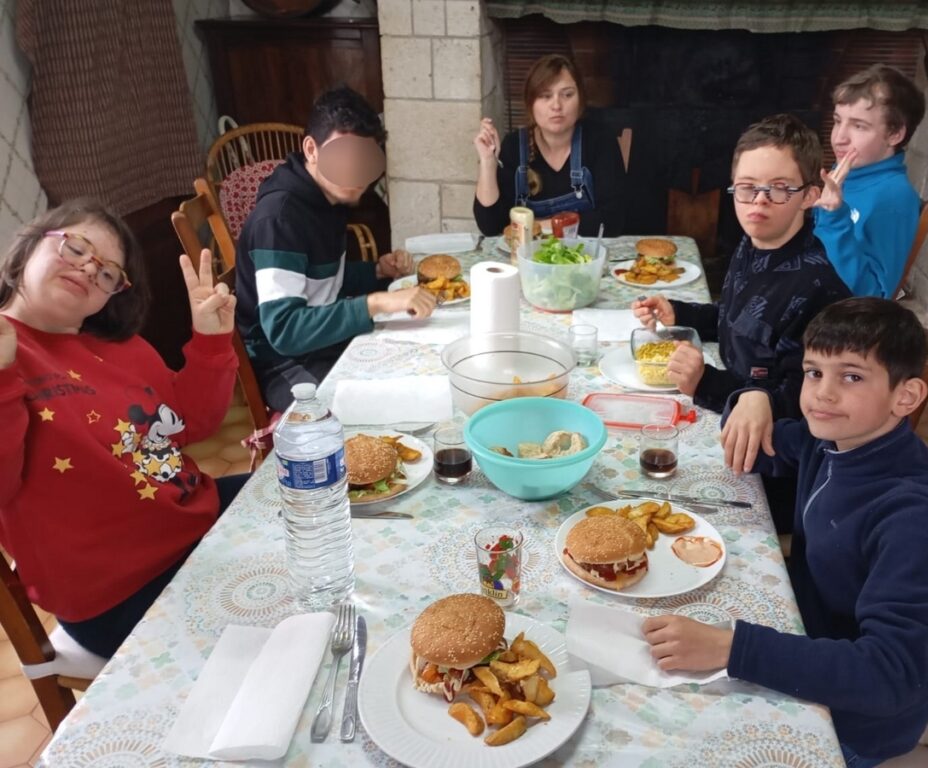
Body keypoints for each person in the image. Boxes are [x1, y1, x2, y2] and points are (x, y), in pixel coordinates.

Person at [644, 298, 928, 767]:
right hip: (805, 636)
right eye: (814, 372)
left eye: (851, 377)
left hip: (853, 722)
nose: (822, 395)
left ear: (906, 396)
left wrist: (731, 648)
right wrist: (751, 398)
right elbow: (759, 443)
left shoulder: (915, 518)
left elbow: (891, 676)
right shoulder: (833, 440)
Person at [0, 199, 247, 658]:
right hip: (119, 592)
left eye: (108, 273)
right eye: (76, 248)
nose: (89, 269)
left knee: (318, 492)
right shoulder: (8, 352)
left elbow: (191, 423)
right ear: (28, 247)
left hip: (196, 521)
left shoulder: (120, 347)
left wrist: (211, 340)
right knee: (281, 620)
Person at [632, 114, 851, 419]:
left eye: (779, 188)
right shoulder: (752, 244)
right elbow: (738, 320)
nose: (759, 201)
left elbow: (798, 403)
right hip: (731, 392)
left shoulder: (818, 289)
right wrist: (680, 314)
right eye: (747, 187)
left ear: (809, 196)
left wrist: (706, 382)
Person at [235, 84, 436, 413]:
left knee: (417, 366)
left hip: (322, 344)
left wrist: (376, 271)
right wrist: (376, 303)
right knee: (364, 410)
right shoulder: (279, 219)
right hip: (282, 361)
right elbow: (284, 330)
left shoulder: (328, 200)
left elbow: (323, 283)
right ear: (312, 149)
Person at [472, 54, 626, 238]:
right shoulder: (514, 146)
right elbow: (490, 227)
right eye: (545, 96)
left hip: (584, 254)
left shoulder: (599, 140)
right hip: (529, 254)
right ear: (530, 103)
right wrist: (488, 162)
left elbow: (613, 221)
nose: (556, 105)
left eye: (567, 95)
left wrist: (541, 226)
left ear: (580, 100)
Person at [813, 65, 926, 298]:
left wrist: (834, 218)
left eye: (858, 126)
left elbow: (873, 296)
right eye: (837, 121)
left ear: (894, 134)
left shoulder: (893, 197)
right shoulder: (847, 173)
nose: (839, 138)